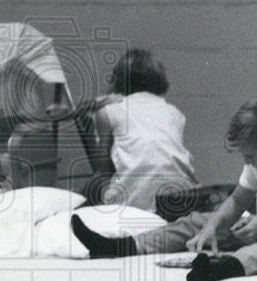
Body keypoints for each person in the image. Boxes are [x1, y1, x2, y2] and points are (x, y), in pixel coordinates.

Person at [71, 101, 257, 281]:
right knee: (198, 221)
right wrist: (212, 228)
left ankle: (225, 268)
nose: (247, 163)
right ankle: (121, 246)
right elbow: (238, 200)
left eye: (250, 156)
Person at [84, 48, 197, 212]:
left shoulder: (109, 112)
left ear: (119, 80)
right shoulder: (175, 113)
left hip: (133, 200)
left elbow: (103, 170)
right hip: (181, 196)